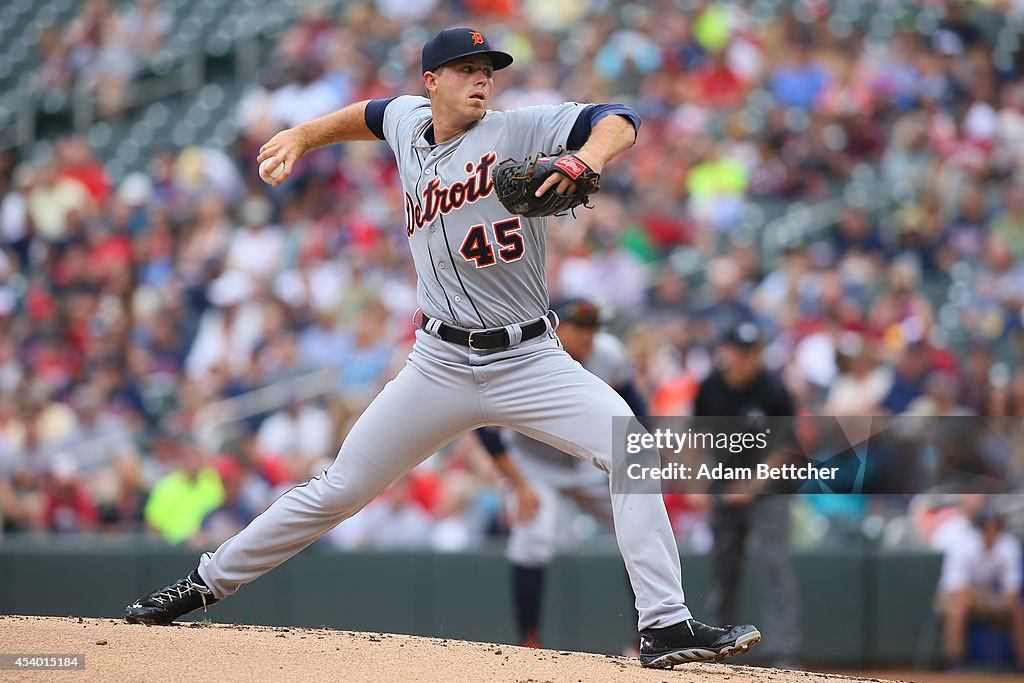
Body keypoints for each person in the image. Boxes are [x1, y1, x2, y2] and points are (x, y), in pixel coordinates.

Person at [123, 27, 760, 668]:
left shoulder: (516, 130)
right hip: (439, 364)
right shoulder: (408, 121)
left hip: (528, 358)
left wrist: (586, 159)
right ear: (431, 83)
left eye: (488, 69)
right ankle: (207, 582)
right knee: (340, 486)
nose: (482, 78)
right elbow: (368, 114)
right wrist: (302, 136)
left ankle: (664, 625)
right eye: (465, 69)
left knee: (632, 450)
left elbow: (618, 119)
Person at [475, 298, 643, 650]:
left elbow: (634, 403)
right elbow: (484, 428)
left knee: (638, 525)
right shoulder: (524, 360)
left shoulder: (608, 353)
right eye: (580, 326)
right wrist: (518, 484)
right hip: (533, 463)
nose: (590, 335)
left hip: (585, 461)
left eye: (594, 327)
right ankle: (529, 643)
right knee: (533, 539)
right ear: (555, 326)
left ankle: (645, 634)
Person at [693, 320, 800, 667]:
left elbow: (786, 449)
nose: (746, 359)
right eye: (740, 351)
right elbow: (701, 436)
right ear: (726, 351)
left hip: (769, 490)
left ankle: (782, 654)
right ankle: (720, 650)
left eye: (752, 351)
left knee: (774, 567)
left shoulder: (772, 388)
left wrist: (751, 486)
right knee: (723, 571)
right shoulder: (710, 386)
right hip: (725, 488)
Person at [937, 505, 1024, 670]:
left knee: (1018, 610)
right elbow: (956, 589)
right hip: (953, 596)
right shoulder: (962, 544)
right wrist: (983, 598)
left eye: (995, 528)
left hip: (988, 597)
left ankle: (1021, 665)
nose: (991, 532)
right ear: (978, 529)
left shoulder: (1008, 545)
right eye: (986, 528)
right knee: (958, 607)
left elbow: (1012, 591)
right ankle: (956, 663)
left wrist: (997, 600)